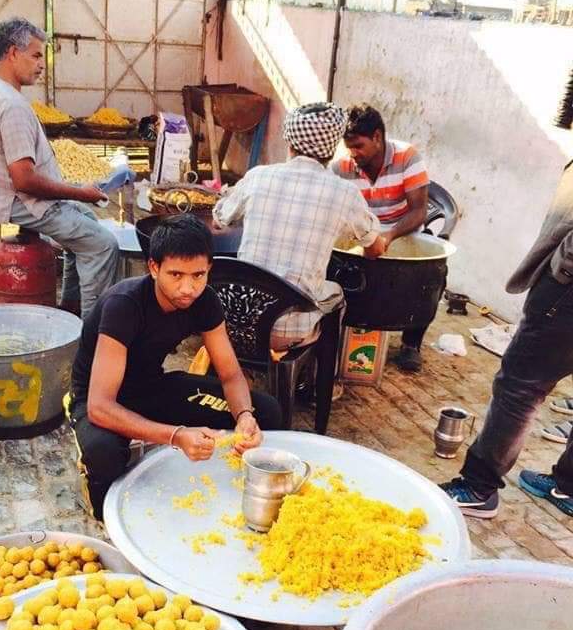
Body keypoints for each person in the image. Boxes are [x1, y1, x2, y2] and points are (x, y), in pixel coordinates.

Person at [68, 214, 283, 518]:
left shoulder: (205, 301)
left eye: (198, 275)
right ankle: (105, 514)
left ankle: (244, 494)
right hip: (100, 399)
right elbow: (99, 406)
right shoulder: (124, 305)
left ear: (209, 268)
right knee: (103, 453)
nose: (188, 288)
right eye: (176, 275)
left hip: (154, 388)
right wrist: (176, 435)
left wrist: (244, 416)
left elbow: (230, 373)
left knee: (267, 410)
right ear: (154, 268)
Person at [440, 160, 573, 519]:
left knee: (520, 387)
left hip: (566, 294)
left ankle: (478, 487)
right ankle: (570, 485)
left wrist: (562, 271)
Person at [0, 17, 118, 318]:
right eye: (36, 55)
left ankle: (72, 309)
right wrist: (79, 193)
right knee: (103, 245)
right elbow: (24, 180)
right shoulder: (10, 105)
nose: (41, 64)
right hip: (20, 201)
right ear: (12, 53)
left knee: (86, 221)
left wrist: (78, 200)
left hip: (11, 195)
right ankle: (94, 334)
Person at [212, 102, 385, 351]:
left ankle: (247, 368)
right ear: (331, 149)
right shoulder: (344, 193)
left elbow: (220, 217)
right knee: (335, 294)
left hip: (235, 320)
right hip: (287, 333)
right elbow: (375, 248)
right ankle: (320, 379)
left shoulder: (258, 177)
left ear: (290, 143)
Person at [334, 104, 431, 372]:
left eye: (358, 146)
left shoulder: (407, 157)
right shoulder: (341, 166)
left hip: (400, 233)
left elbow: (419, 210)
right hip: (359, 235)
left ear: (377, 137)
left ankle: (411, 344)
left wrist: (387, 237)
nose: (353, 154)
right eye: (348, 147)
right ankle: (347, 332)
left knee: (423, 278)